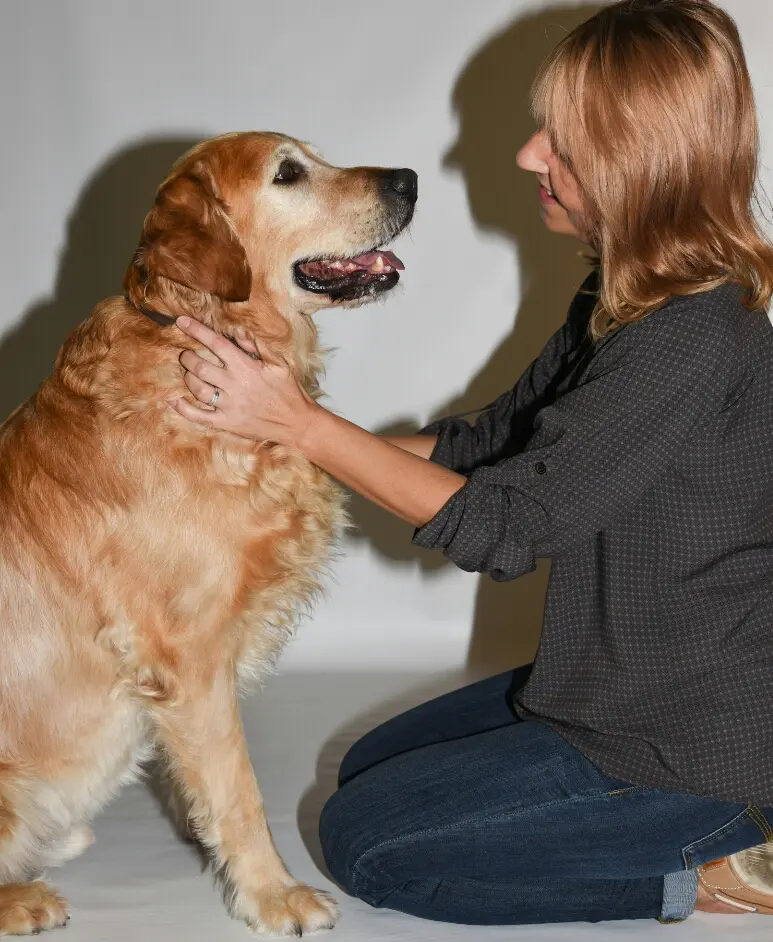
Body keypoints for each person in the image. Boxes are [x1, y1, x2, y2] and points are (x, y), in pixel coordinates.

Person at [168, 0, 773, 926]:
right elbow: (492, 444)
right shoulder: (624, 297)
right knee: (374, 770)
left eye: (563, 143)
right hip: (609, 685)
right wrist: (266, 429)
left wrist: (302, 426)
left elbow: (507, 526)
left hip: (689, 742)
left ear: (640, 165)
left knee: (369, 845)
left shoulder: (690, 334)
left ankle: (716, 861)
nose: (531, 154)